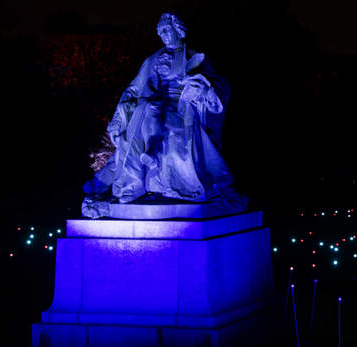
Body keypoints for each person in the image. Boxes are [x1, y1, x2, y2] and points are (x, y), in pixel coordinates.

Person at [82, 12, 246, 218]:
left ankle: (125, 178)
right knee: (141, 111)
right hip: (155, 105)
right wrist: (116, 121)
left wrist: (202, 88)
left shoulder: (194, 54)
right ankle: (131, 182)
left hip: (183, 107)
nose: (164, 36)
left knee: (149, 115)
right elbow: (132, 90)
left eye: (167, 30)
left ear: (178, 30)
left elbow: (218, 83)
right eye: (160, 33)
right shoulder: (153, 60)